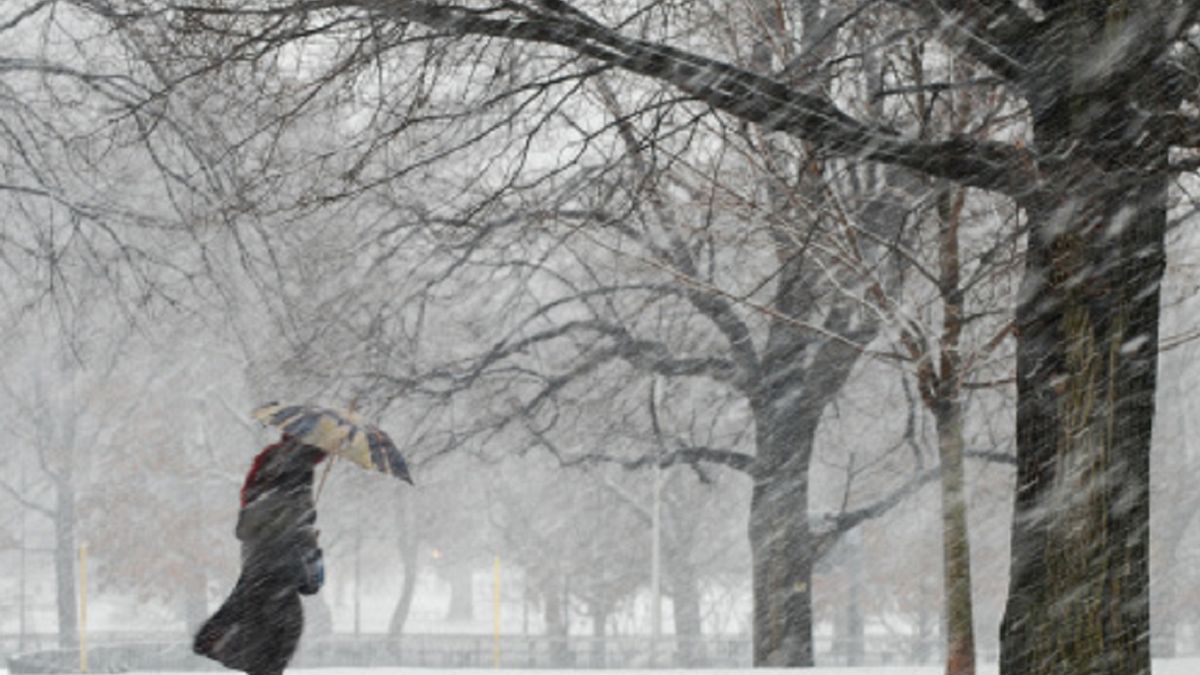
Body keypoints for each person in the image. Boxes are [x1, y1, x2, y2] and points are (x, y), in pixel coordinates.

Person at [194, 435, 327, 675]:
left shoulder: (255, 512)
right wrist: (311, 546)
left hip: (250, 596)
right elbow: (311, 584)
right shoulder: (298, 519)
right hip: (280, 607)